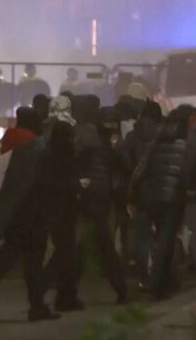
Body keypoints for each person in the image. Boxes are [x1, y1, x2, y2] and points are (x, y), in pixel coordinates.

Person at [0, 107, 59, 322]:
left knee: (8, 256)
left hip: (16, 212)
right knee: (33, 262)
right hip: (35, 210)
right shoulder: (35, 147)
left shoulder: (9, 142)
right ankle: (36, 306)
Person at [128, 108, 189, 301]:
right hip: (172, 198)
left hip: (150, 196)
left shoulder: (156, 142)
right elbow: (188, 172)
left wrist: (134, 191)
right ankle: (158, 283)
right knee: (165, 241)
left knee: (153, 239)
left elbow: (140, 170)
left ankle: (158, 281)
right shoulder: (185, 144)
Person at [73, 95, 127, 304]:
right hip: (98, 196)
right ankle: (119, 289)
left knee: (82, 245)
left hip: (92, 195)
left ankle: (65, 290)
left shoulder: (87, 135)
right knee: (102, 245)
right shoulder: (99, 139)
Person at [41, 96, 83, 312]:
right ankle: (48, 289)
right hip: (65, 208)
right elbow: (62, 182)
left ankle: (62, 295)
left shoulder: (48, 149)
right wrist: (77, 184)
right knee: (66, 253)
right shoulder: (64, 155)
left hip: (52, 207)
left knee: (63, 252)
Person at [119, 99, 163, 285]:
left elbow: (123, 158)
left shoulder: (131, 135)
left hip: (139, 190)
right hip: (161, 189)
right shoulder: (162, 133)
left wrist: (132, 175)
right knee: (162, 234)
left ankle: (143, 275)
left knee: (141, 234)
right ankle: (160, 274)